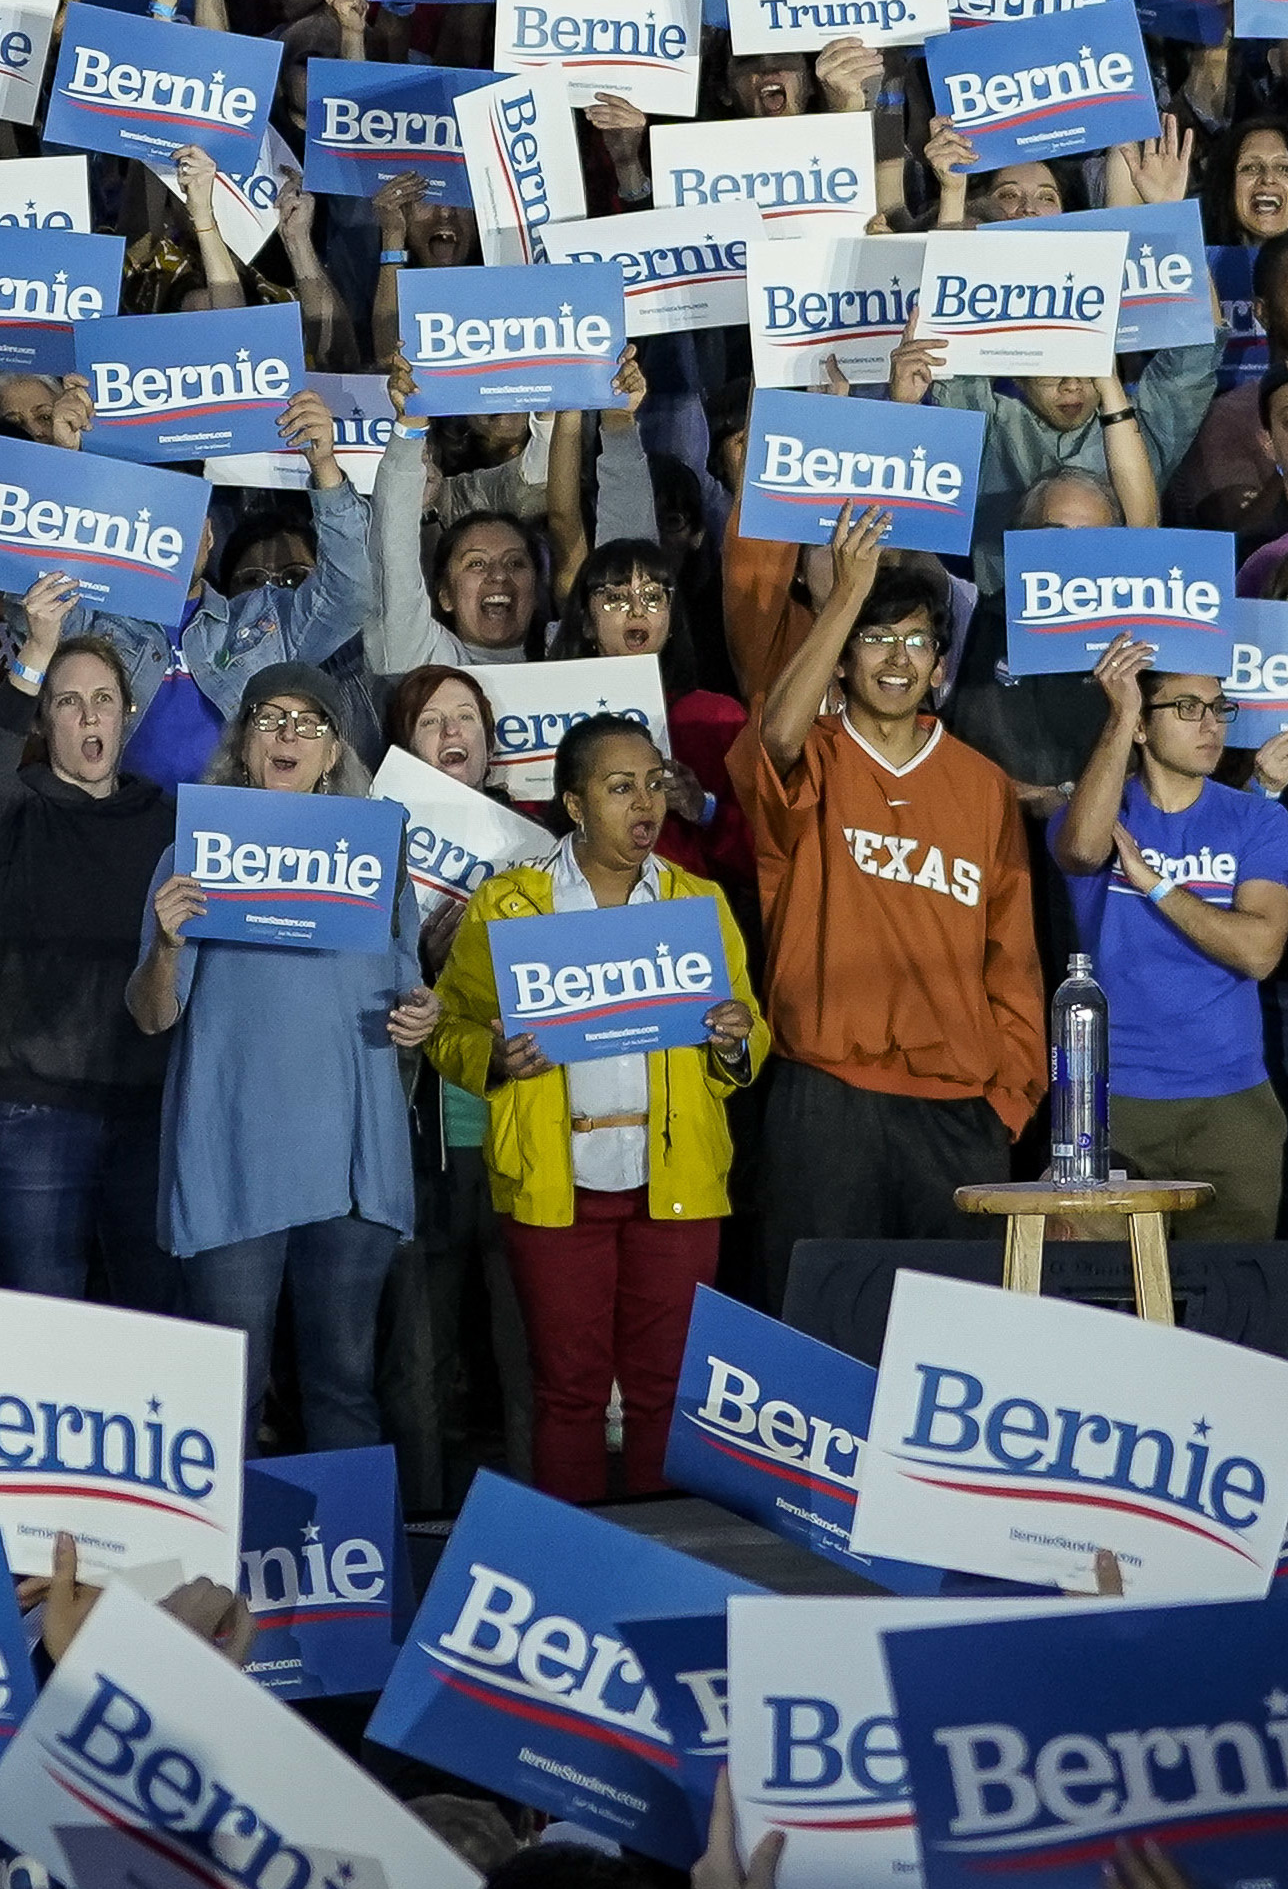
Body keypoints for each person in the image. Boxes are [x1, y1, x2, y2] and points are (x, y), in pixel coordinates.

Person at [430, 711, 760, 1500]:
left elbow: (747, 1031)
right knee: (569, 1393)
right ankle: (573, 1579)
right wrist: (494, 1059)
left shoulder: (698, 904)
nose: (644, 803)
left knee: (664, 1392)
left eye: (651, 783)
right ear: (574, 804)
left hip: (674, 1182)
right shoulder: (509, 907)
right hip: (557, 1185)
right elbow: (448, 1029)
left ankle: (660, 1567)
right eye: (619, 787)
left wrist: (732, 1041)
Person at [719, 510, 1044, 1282]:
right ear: (840, 658)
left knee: (949, 1353)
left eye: (915, 642)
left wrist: (1006, 1098)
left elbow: (1013, 957)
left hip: (958, 1111)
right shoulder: (816, 756)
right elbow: (772, 741)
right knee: (822, 1336)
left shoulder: (981, 784)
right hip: (826, 1102)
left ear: (939, 665)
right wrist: (843, 595)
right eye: (874, 638)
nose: (896, 659)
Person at [133, 664, 430, 1450]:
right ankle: (214, 1574)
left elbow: (409, 992)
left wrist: (419, 1015)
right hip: (234, 1161)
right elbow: (153, 1016)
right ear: (243, 741)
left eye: (309, 724)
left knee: (343, 1390)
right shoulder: (191, 857)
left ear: (335, 752)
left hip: (350, 1172)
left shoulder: (378, 856)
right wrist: (166, 945)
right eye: (270, 720)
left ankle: (354, 1572)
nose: (287, 736)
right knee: (223, 1409)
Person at [0, 582, 180, 1306]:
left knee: (148, 1338)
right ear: (44, 722)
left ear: (127, 716)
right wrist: (37, 652)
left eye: (104, 700)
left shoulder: (170, 822)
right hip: (34, 1118)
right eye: (67, 701)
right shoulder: (13, 811)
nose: (89, 715)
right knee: (39, 1342)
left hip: (149, 1117)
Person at [1061, 641, 1288, 1233]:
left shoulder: (1260, 820)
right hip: (1110, 1099)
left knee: (1231, 1311)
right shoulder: (1102, 807)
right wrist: (1119, 714)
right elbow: (1080, 850)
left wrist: (1155, 884)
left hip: (1231, 1104)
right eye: (1187, 708)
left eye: (1219, 709)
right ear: (1143, 726)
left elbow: (1258, 951)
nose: (1210, 725)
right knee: (1096, 1305)